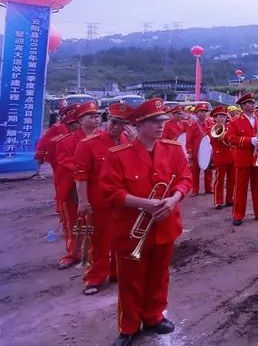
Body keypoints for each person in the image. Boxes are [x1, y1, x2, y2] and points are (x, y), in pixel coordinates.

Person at [100, 98, 192, 346]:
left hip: (165, 223)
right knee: (130, 279)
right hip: (131, 229)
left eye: (162, 120)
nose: (160, 126)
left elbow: (185, 178)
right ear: (138, 126)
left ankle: (153, 316)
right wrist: (145, 203)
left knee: (159, 274)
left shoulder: (173, 149)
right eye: (153, 121)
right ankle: (128, 325)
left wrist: (174, 199)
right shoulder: (117, 155)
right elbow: (111, 192)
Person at [73, 102, 135, 295]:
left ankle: (117, 272)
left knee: (122, 240)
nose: (116, 127)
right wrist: (83, 201)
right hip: (99, 202)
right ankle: (95, 276)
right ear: (108, 121)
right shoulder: (88, 144)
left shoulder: (129, 142)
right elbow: (81, 176)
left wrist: (135, 144)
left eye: (122, 124)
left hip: (124, 202)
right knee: (98, 242)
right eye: (114, 122)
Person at [54, 101, 102, 269]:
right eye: (91, 116)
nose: (96, 119)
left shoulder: (105, 137)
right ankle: (74, 253)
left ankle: (95, 253)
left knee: (99, 222)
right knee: (75, 223)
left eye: (98, 116)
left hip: (99, 187)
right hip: (74, 189)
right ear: (80, 120)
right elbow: (66, 162)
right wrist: (89, 171)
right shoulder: (65, 141)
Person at [224, 92, 258, 226]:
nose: (253, 105)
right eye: (249, 103)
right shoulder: (235, 122)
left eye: (253, 103)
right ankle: (238, 214)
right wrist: (249, 141)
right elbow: (231, 139)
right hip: (243, 158)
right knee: (241, 187)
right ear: (242, 106)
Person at [209, 106, 235, 209]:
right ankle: (218, 201)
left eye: (224, 116)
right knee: (219, 180)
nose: (222, 119)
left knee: (231, 180)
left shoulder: (229, 127)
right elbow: (213, 140)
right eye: (220, 117)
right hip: (220, 157)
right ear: (215, 118)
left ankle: (229, 199)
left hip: (231, 156)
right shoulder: (213, 128)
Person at [186, 102, 214, 196]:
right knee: (195, 172)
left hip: (207, 151)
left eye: (205, 111)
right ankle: (195, 190)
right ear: (196, 113)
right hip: (195, 152)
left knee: (208, 170)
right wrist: (189, 152)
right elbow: (188, 140)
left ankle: (208, 188)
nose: (203, 113)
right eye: (201, 111)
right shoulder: (192, 125)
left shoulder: (209, 123)